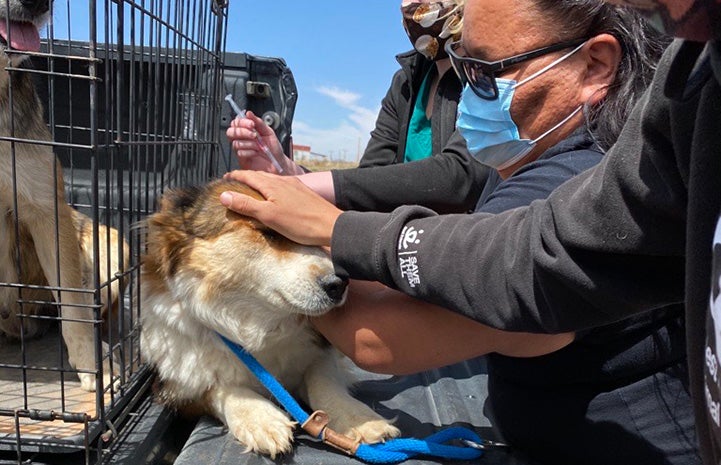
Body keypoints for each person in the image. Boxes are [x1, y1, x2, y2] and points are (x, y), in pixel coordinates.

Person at [220, 0, 721, 462]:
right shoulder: (543, 158)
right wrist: (307, 205)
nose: (468, 96)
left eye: (488, 72)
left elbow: (382, 339)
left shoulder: (563, 180)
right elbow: (461, 260)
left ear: (595, 65)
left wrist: (307, 244)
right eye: (463, 68)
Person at [226, 0, 488, 214]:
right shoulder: (407, 81)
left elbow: (458, 178)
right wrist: (285, 168)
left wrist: (297, 185)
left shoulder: (488, 73)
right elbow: (371, 180)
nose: (410, 5)